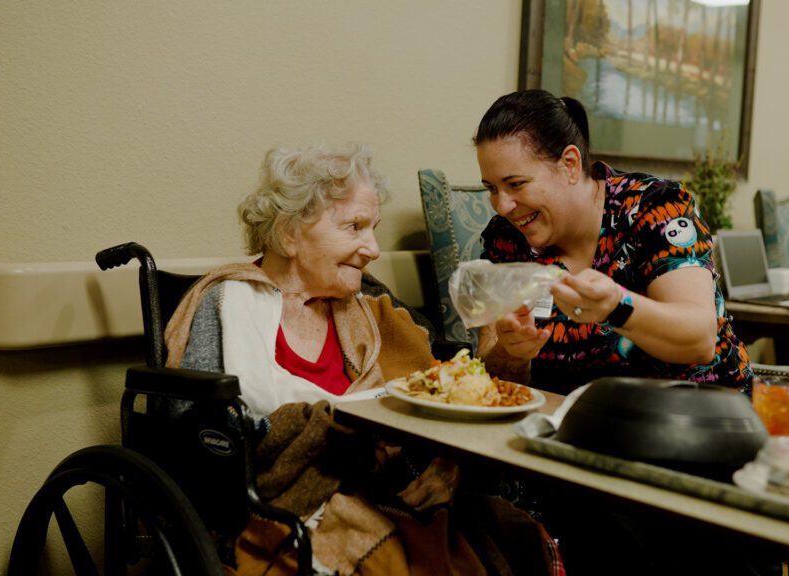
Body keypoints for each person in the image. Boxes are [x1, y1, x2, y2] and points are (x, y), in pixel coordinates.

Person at [165, 144, 561, 576]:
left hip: (389, 494)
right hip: (276, 509)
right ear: (288, 234)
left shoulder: (369, 306)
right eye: (353, 227)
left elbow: (445, 393)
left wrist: (447, 464)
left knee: (510, 529)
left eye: (372, 228)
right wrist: (323, 435)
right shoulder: (228, 304)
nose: (372, 248)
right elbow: (196, 434)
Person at [473, 89, 754, 395]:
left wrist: (617, 308)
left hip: (698, 418)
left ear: (569, 163)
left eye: (516, 184)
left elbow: (699, 340)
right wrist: (511, 353)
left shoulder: (654, 207)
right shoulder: (506, 238)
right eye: (492, 188)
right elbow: (490, 376)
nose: (502, 206)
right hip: (570, 425)